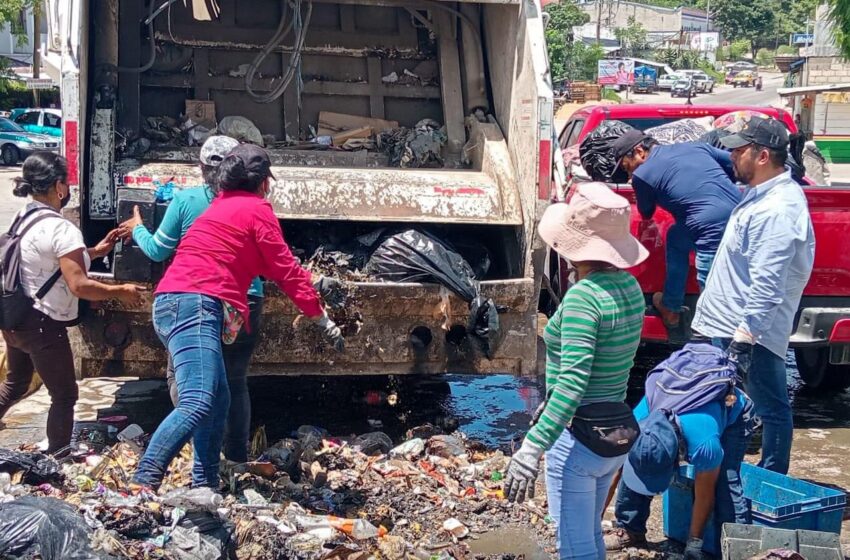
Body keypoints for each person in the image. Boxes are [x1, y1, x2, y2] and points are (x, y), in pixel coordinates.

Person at [132, 144, 345, 490]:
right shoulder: (257, 210)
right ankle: (144, 479)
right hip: (195, 303)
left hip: (178, 302)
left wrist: (314, 283)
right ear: (262, 183)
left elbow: (267, 264)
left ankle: (206, 484)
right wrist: (321, 319)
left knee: (219, 399)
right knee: (199, 399)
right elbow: (284, 269)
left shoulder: (220, 207)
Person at [505, 182, 648, 560]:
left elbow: (573, 383)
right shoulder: (630, 288)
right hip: (614, 431)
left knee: (574, 547)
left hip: (578, 440)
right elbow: (612, 363)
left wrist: (532, 447)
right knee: (590, 539)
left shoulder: (584, 297)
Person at [116, 135, 262, 465]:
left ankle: (198, 455)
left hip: (201, 302)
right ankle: (236, 458)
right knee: (235, 383)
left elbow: (156, 250)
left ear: (200, 167)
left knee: (186, 383)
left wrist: (137, 227)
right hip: (246, 302)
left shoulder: (187, 201)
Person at [692, 116, 815, 474]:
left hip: (749, 331)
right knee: (735, 403)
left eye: (738, 151)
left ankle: (770, 480)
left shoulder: (777, 209)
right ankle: (731, 474)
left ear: (762, 156)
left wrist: (744, 340)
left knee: (770, 407)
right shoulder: (761, 195)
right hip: (732, 324)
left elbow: (768, 283)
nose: (731, 157)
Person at [0, 153, 144, 453]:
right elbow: (79, 285)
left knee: (15, 385)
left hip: (15, 317)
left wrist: (94, 251)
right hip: (43, 325)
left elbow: (49, 260)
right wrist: (121, 290)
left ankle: (55, 452)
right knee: (65, 395)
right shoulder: (61, 228)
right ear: (60, 187)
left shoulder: (24, 215)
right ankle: (57, 456)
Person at [604, 355, 753, 558]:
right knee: (640, 465)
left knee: (724, 484)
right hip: (680, 411)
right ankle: (630, 529)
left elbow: (704, 493)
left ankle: (735, 551)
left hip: (732, 412)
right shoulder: (635, 425)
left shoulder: (705, 445)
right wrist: (593, 521)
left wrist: (693, 544)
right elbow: (613, 471)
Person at [614, 130, 741, 328]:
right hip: (742, 217)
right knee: (676, 237)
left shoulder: (642, 175)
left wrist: (640, 184)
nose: (629, 173)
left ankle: (681, 315)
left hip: (708, 230)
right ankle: (670, 304)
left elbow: (646, 212)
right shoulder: (696, 147)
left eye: (626, 167)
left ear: (639, 152)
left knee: (716, 307)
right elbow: (736, 164)